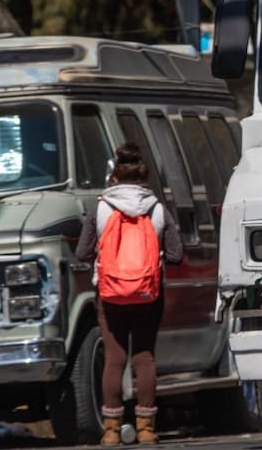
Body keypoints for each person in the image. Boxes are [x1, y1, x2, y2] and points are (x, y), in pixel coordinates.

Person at [75, 143, 182, 445]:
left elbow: (83, 252)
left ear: (115, 177)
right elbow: (176, 255)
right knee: (144, 357)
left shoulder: (101, 207)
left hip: (110, 295)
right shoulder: (157, 208)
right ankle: (147, 429)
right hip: (149, 293)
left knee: (114, 359)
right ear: (144, 176)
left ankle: (111, 431)